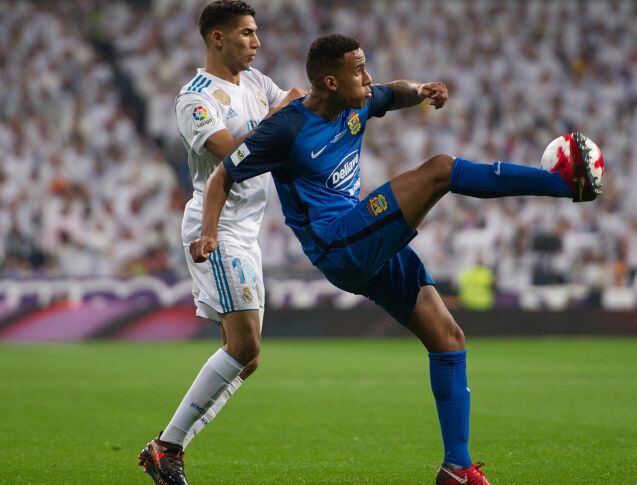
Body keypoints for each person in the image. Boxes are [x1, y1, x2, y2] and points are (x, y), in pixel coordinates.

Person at [191, 34, 603, 485]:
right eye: (358, 71)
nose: (368, 79)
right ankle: (566, 185)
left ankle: (457, 467)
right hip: (338, 244)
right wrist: (209, 230)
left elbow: (395, 91)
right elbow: (223, 175)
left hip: (363, 237)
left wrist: (423, 89)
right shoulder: (286, 127)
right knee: (441, 170)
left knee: (448, 337)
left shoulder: (358, 100)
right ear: (330, 81)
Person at [138, 2, 304, 484]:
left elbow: (295, 108)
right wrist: (280, 114)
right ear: (217, 38)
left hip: (248, 232)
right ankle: (166, 447)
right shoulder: (195, 98)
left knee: (247, 358)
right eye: (247, 33)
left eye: (256, 33)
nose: (257, 42)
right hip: (216, 228)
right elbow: (235, 153)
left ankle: (167, 449)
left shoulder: (255, 83)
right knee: (245, 343)